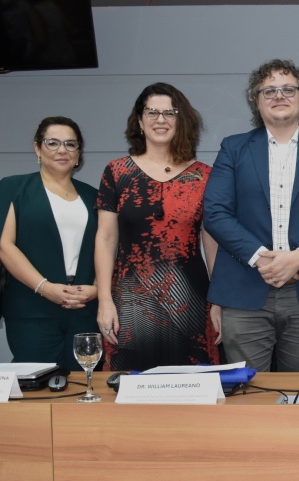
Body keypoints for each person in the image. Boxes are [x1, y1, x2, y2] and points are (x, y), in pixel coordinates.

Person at [204, 59, 299, 372]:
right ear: (256, 101)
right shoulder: (233, 149)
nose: (279, 95)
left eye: (288, 89)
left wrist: (298, 257)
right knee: (249, 393)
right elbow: (215, 213)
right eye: (269, 90)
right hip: (244, 290)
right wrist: (262, 259)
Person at [95, 83, 219, 371]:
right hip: (130, 302)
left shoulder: (204, 176)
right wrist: (104, 300)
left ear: (182, 121)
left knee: (191, 390)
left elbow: (213, 242)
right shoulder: (117, 172)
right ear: (139, 121)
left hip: (191, 301)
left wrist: (219, 302)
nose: (160, 120)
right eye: (152, 112)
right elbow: (105, 239)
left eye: (169, 113)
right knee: (131, 389)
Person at [0, 116, 98, 371]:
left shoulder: (94, 196)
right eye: (53, 142)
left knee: (84, 385)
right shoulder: (14, 187)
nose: (62, 150)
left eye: (71, 144)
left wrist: (97, 289)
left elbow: (108, 248)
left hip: (83, 309)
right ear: (37, 148)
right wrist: (45, 287)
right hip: (32, 308)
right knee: (35, 387)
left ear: (79, 153)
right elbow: (5, 246)